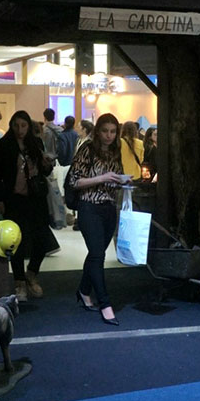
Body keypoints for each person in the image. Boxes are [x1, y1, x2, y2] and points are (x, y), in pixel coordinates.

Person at [0, 109, 54, 301]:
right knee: (16, 241)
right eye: (16, 125)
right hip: (13, 199)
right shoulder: (3, 146)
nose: (20, 129)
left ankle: (31, 273)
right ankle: (19, 282)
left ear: (29, 126)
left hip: (36, 198)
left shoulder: (36, 144)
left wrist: (46, 164)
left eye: (24, 125)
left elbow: (45, 172)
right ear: (11, 126)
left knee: (42, 239)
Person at [69, 112, 125, 325]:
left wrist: (121, 181)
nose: (109, 135)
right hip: (89, 206)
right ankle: (105, 303)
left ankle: (84, 291)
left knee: (96, 253)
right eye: (105, 131)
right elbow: (75, 181)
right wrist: (102, 178)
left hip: (109, 207)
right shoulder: (87, 149)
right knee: (97, 254)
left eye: (113, 131)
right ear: (97, 131)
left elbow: (115, 176)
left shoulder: (115, 151)